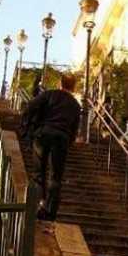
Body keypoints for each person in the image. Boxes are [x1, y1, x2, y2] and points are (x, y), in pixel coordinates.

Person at [21, 73, 81, 222]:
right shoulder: (75, 105)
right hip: (61, 138)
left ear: (60, 83)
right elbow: (74, 128)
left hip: (43, 134)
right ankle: (50, 212)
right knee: (56, 177)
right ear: (73, 87)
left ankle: (39, 203)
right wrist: (69, 141)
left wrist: (28, 127)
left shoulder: (49, 94)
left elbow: (31, 106)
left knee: (38, 172)